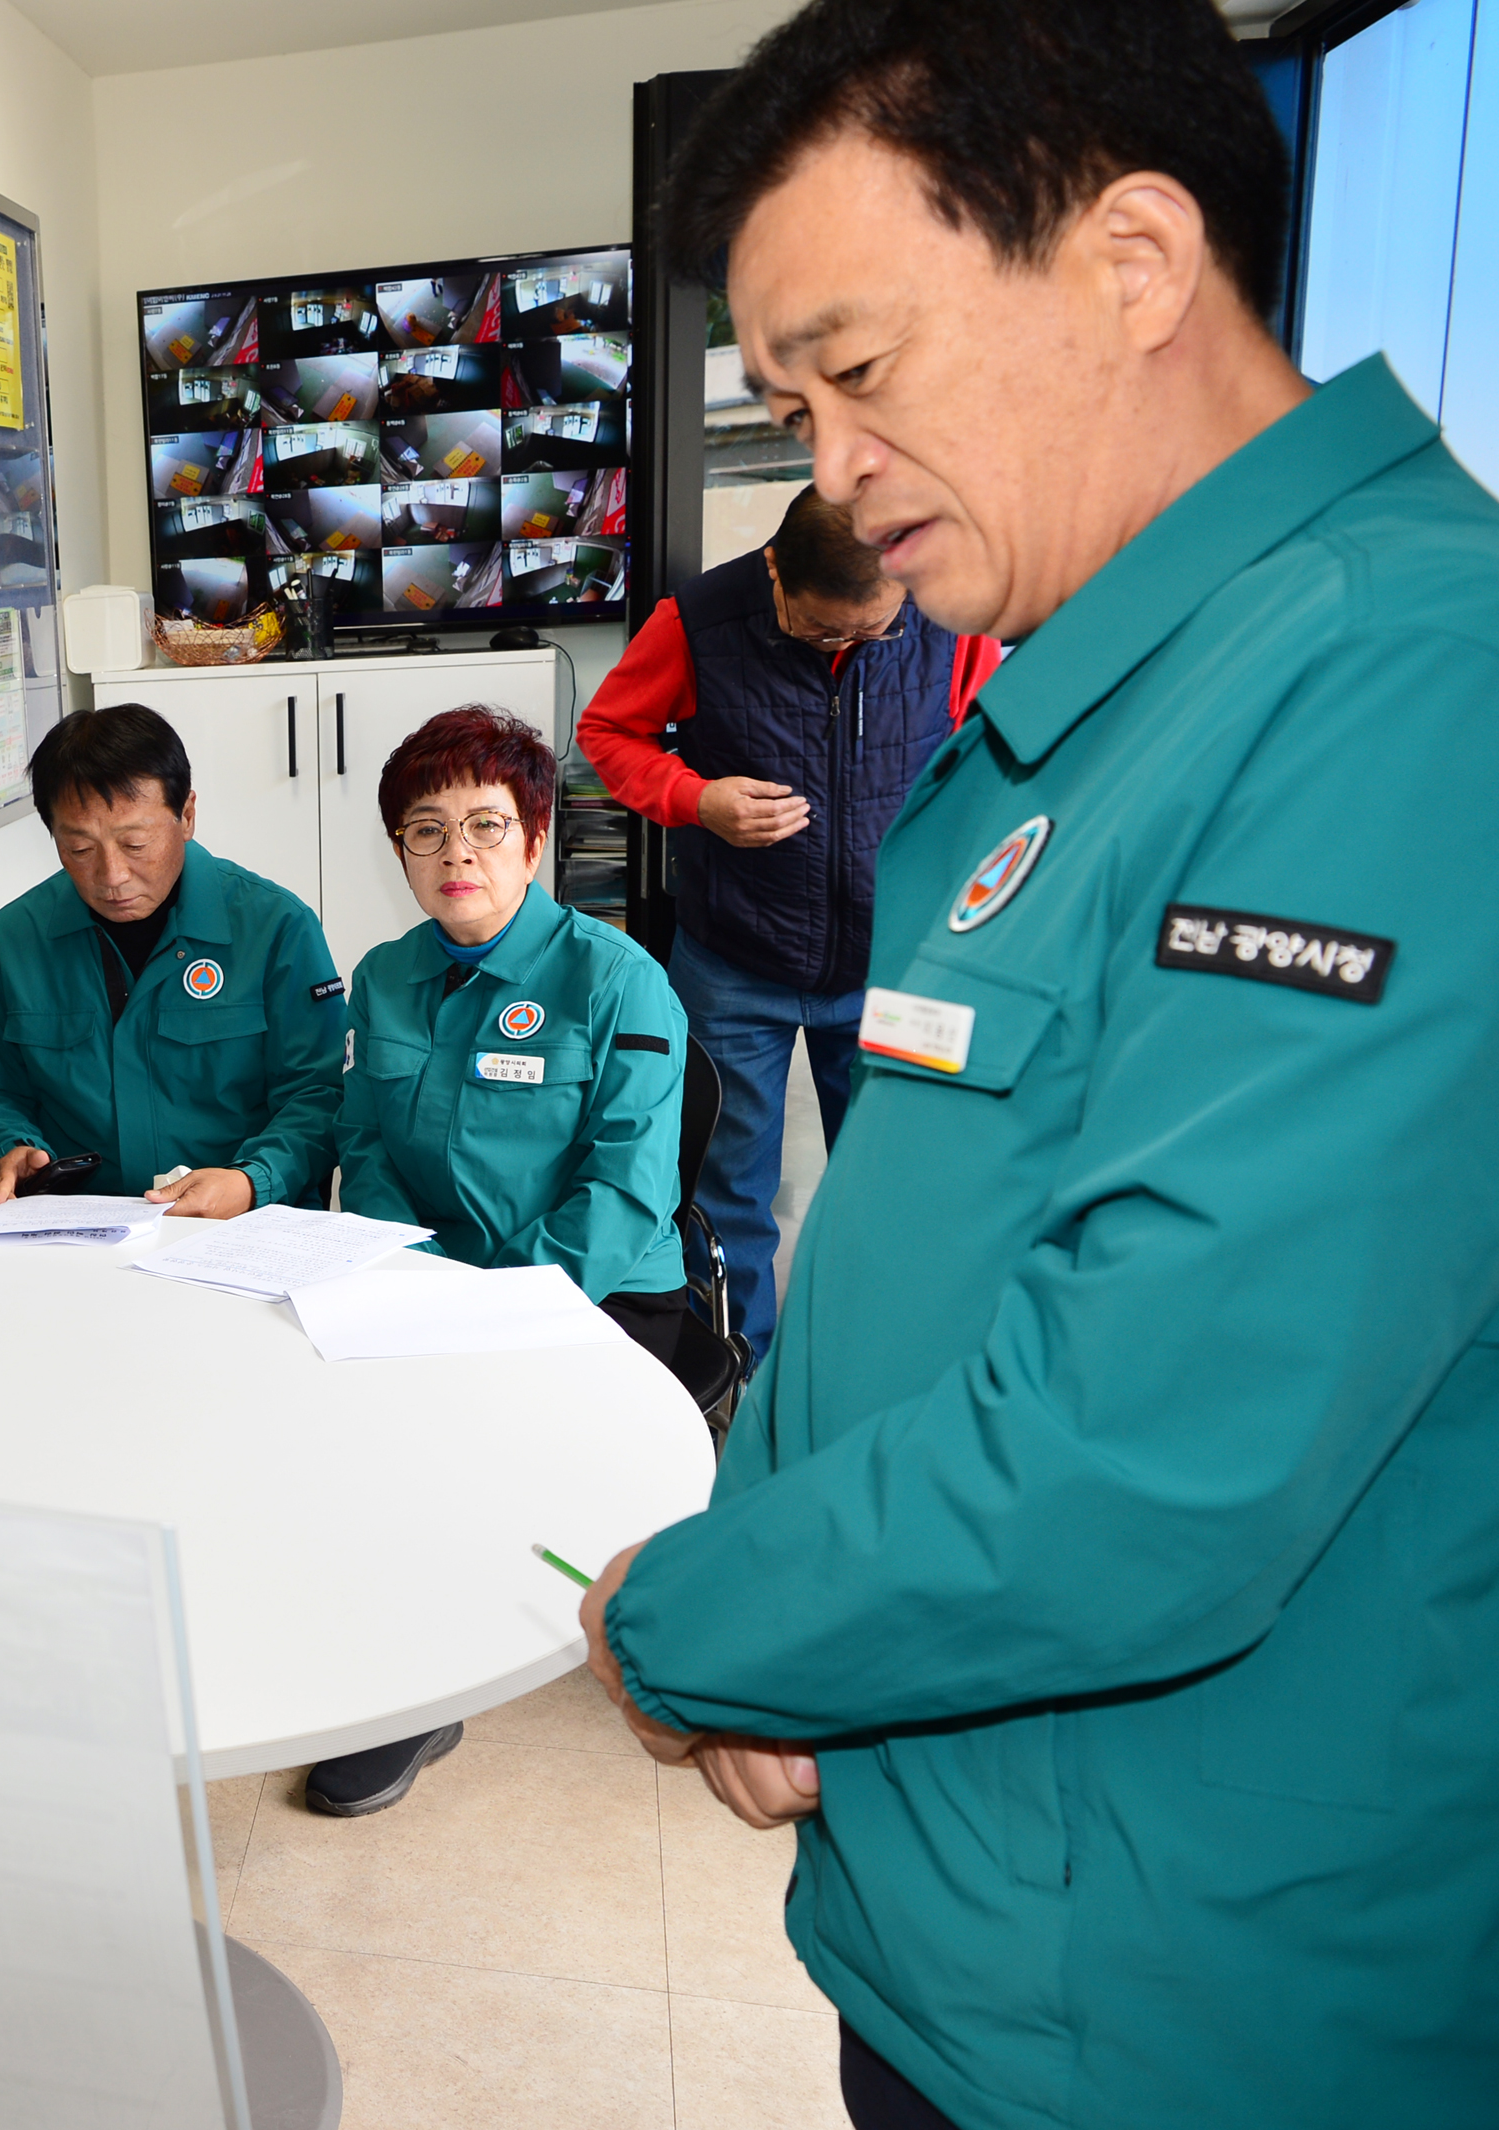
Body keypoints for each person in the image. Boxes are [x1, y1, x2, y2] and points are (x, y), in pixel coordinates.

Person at [574, 4, 1499, 2124]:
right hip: (974, 1908)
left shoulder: (1396, 682)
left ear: (1133, 263)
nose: (824, 471)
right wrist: (790, 1606)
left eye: (860, 373)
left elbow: (1153, 1446)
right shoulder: (1098, 706)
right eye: (791, 403)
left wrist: (702, 1615)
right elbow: (912, 1241)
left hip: (1191, 2007)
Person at [311, 707, 690, 1820]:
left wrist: (498, 1308)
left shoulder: (616, 981)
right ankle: (411, 1686)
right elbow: (364, 1144)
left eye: (484, 826)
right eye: (424, 833)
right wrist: (408, 1274)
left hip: (598, 1291)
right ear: (399, 856)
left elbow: (625, 1192)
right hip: (434, 1279)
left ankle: (457, 1658)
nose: (455, 855)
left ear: (534, 841)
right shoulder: (383, 976)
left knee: (469, 1435)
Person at [577, 485, 1002, 1362]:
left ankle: (880, 1370)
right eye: (820, 632)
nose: (848, 648)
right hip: (737, 961)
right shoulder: (696, 621)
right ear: (775, 570)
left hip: (896, 961)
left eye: (873, 633)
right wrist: (697, 799)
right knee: (729, 1189)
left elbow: (991, 740)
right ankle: (742, 1377)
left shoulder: (944, 612)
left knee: (895, 1181)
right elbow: (609, 732)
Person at [0, 704, 344, 1219]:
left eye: (135, 844)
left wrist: (253, 1182)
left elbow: (320, 1095)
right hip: (78, 1234)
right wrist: (10, 1147)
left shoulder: (276, 928)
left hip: (244, 1227)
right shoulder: (14, 938)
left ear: (186, 816)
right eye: (80, 848)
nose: (112, 874)